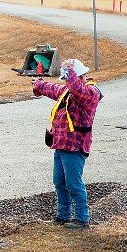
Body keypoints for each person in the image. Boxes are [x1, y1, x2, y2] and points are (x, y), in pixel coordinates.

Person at [32, 59, 102, 229]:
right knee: (59, 182)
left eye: (68, 78)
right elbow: (55, 89)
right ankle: (63, 216)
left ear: (76, 77)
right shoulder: (69, 90)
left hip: (75, 147)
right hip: (61, 145)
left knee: (74, 184)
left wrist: (69, 70)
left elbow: (77, 89)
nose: (65, 82)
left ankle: (82, 219)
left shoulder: (90, 93)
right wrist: (39, 85)